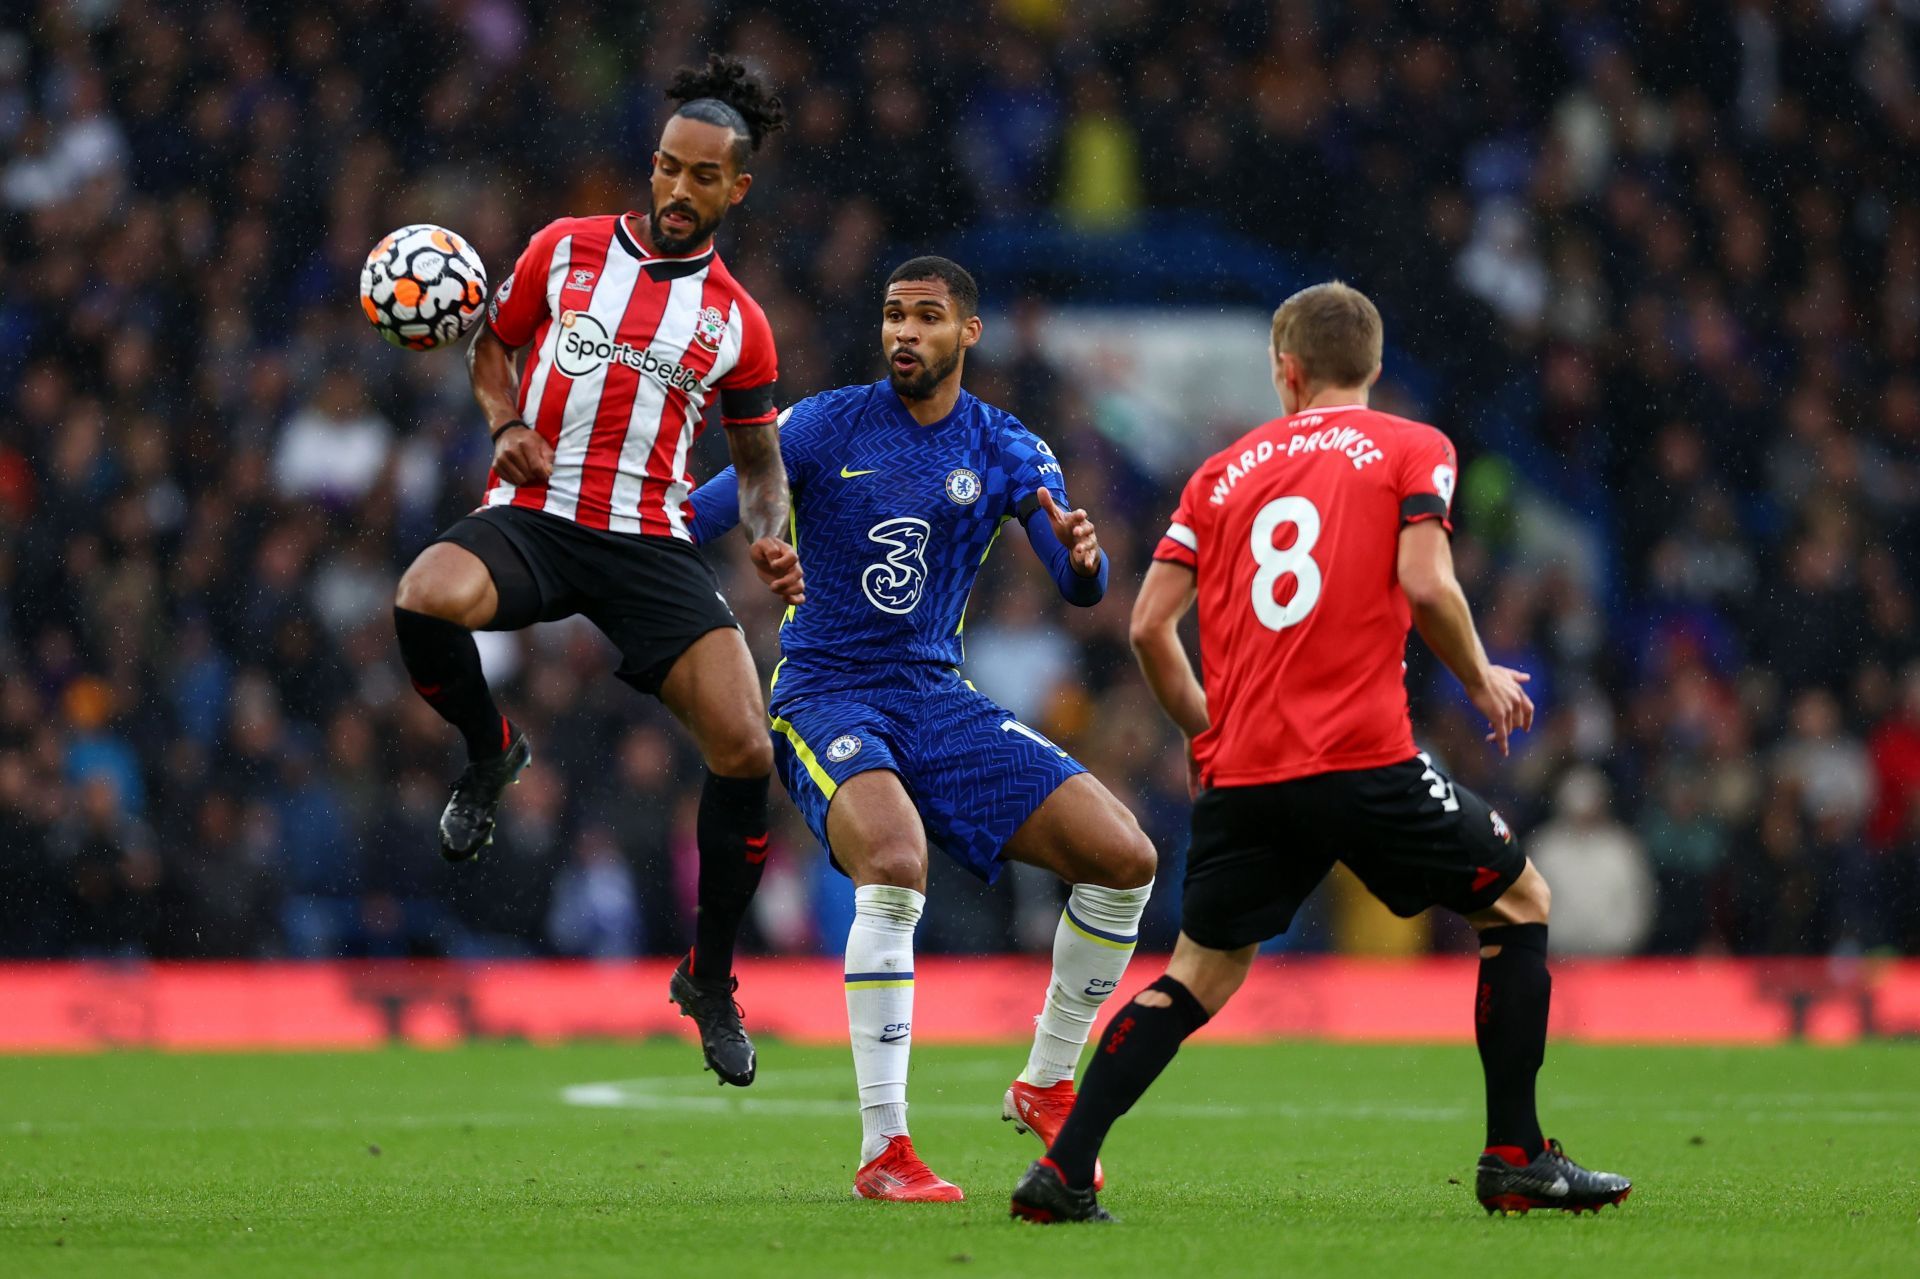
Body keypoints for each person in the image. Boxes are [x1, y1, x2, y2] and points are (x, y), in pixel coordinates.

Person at [1009, 282, 1632, 1222]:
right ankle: (1513, 1154)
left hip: (1245, 772)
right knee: (1519, 899)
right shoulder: (1413, 446)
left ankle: (1063, 1171)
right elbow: (1425, 581)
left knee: (1195, 975)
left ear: (1284, 370)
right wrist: (1479, 677)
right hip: (1361, 759)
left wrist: (1204, 727)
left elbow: (1146, 627)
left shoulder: (1221, 472)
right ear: (1373, 367)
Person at [690, 257, 1156, 1202]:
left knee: (1125, 856)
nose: (905, 332)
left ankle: (1048, 1078)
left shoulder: (1006, 444)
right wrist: (737, 535)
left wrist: (1086, 559)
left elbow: (1073, 582)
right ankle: (883, 1149)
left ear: (967, 335)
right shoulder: (824, 422)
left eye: (927, 317)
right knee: (896, 864)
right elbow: (705, 507)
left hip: (938, 695)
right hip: (827, 692)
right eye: (894, 315)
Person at [390, 55, 803, 1087]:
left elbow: (758, 468)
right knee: (423, 596)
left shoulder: (740, 325)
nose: (675, 190)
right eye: (667, 167)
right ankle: (489, 756)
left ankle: (709, 978)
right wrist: (506, 418)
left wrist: (769, 533)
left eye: (702, 177)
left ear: (735, 189)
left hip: (648, 543)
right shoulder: (564, 250)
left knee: (747, 748)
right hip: (536, 514)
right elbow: (493, 346)